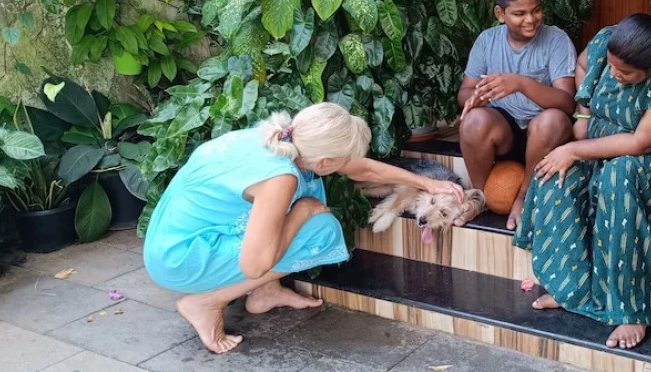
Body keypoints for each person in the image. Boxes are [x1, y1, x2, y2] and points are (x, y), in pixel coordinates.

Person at [143, 103, 465, 354]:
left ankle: (265, 292)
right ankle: (208, 302)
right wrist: (303, 211)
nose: (350, 163)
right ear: (324, 162)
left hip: (171, 239)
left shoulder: (284, 138)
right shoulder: (280, 178)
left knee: (291, 213)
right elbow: (254, 264)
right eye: (343, 159)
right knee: (320, 229)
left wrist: (425, 182)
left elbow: (362, 169)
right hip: (181, 258)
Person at [513, 10, 651, 349]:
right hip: (603, 147)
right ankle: (570, 289)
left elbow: (643, 142)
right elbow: (584, 65)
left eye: (624, 73)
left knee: (619, 177)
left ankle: (632, 309)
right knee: (554, 174)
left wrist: (575, 150)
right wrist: (583, 113)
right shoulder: (610, 43)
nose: (612, 74)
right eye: (612, 66)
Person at [456, 0, 577, 230]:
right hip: (505, 133)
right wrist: (477, 96)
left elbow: (568, 103)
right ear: (500, 14)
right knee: (473, 120)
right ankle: (479, 197)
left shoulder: (556, 40)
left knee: (552, 120)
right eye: (520, 14)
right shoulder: (487, 40)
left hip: (545, 137)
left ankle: (525, 198)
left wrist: (521, 83)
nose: (531, 19)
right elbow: (464, 93)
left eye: (536, 10)